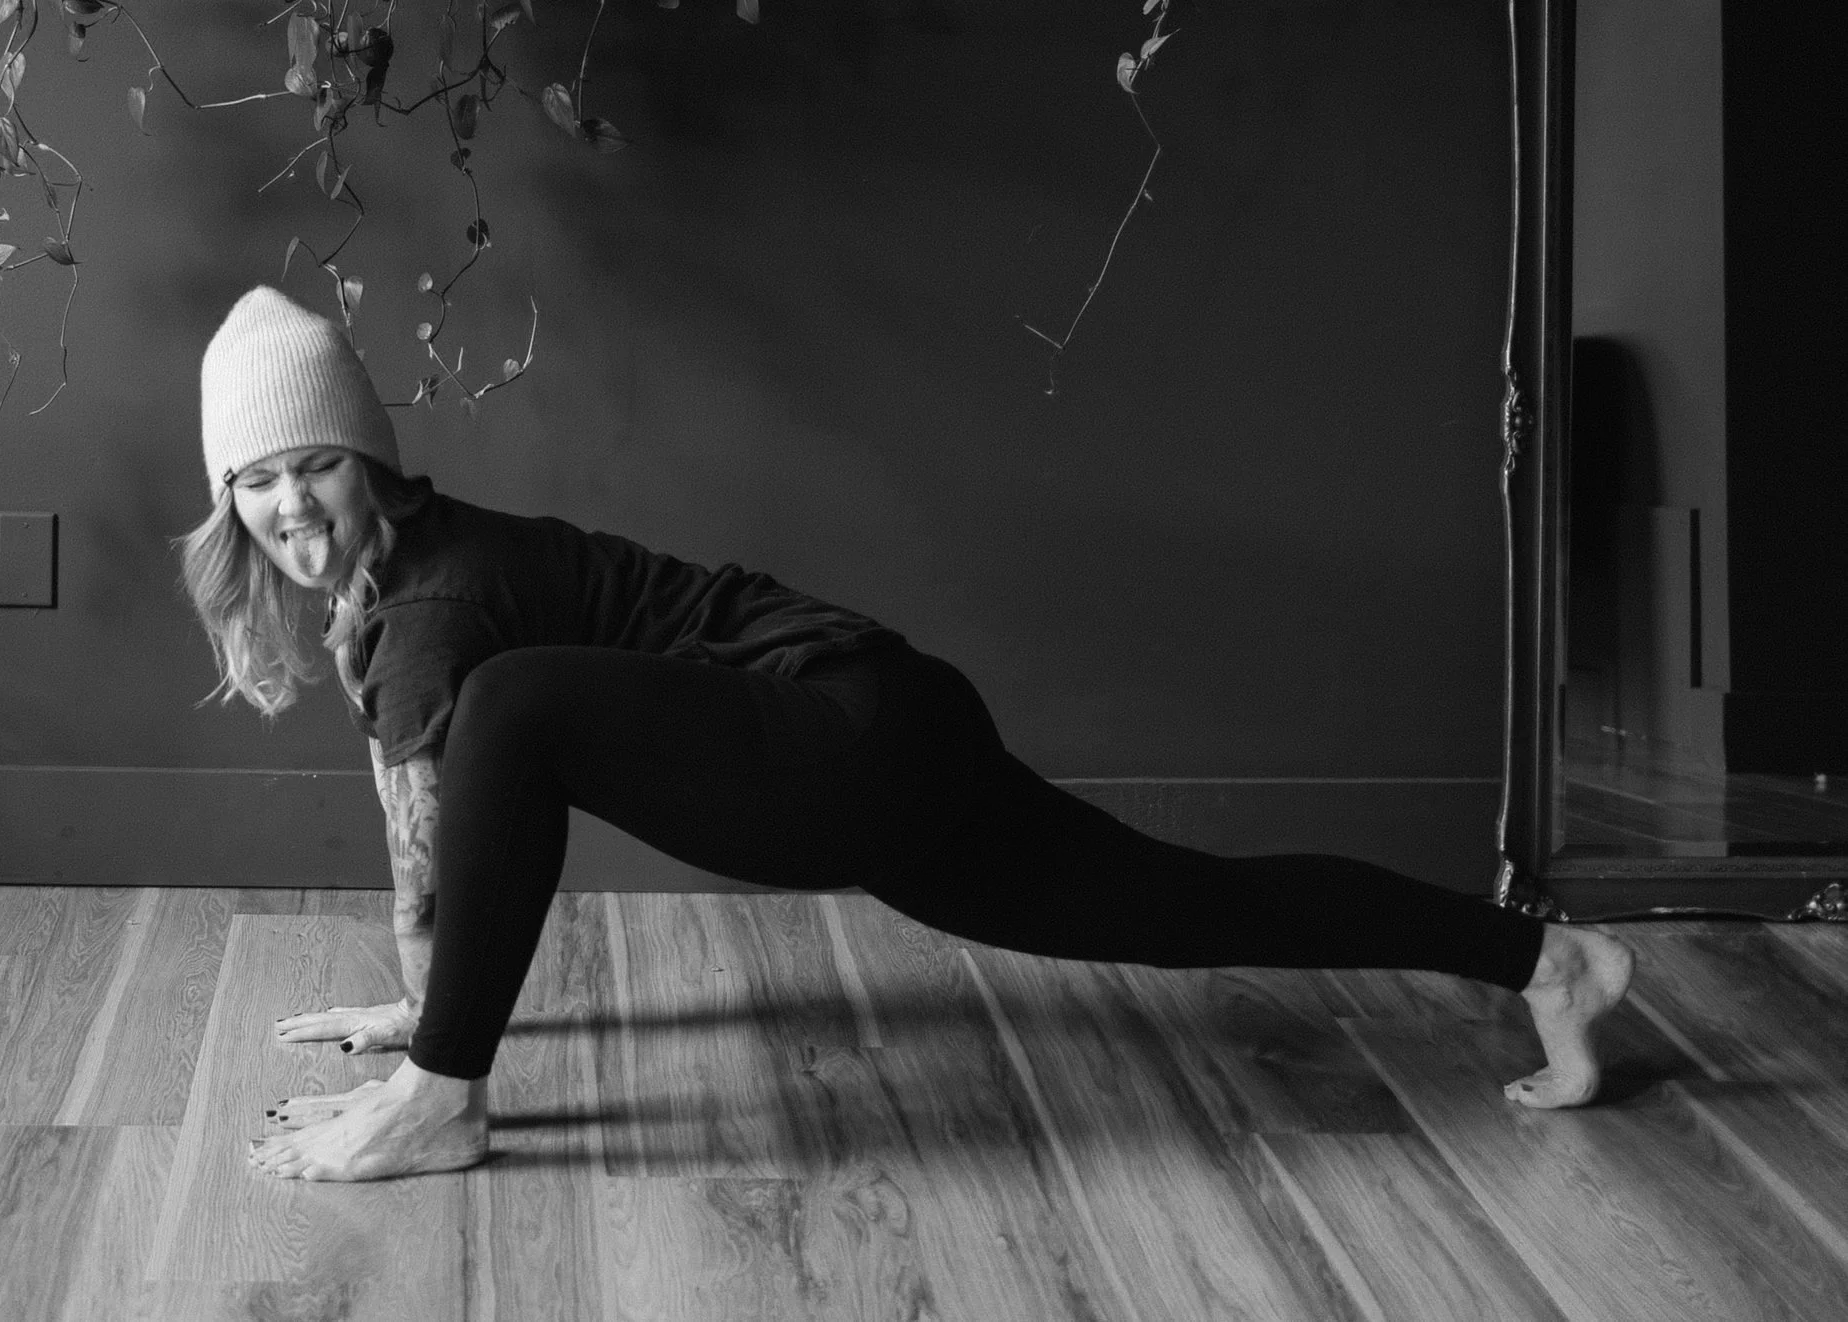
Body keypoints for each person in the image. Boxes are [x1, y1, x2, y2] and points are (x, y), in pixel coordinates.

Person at [180, 286, 1634, 1184]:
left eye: (318, 464)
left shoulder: (432, 603)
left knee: (516, 707)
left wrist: (431, 1049)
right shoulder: (411, 573)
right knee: (1187, 903)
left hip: (840, 734)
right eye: (257, 481)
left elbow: (434, 827)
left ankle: (448, 1105)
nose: (291, 504)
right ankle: (1550, 962)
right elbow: (446, 828)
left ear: (371, 459)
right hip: (885, 725)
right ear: (227, 502)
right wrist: (428, 1000)